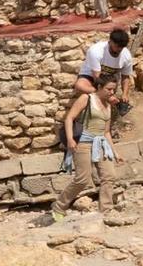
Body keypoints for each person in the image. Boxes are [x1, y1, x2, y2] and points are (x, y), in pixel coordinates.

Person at [53, 76, 123, 219]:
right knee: (82, 179)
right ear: (99, 88)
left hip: (101, 143)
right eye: (108, 89)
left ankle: (106, 211)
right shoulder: (87, 98)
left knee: (109, 176)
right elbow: (69, 118)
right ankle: (59, 206)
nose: (111, 92)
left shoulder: (109, 106)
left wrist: (115, 152)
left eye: (113, 90)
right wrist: (70, 139)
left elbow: (106, 132)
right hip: (83, 142)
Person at [74, 27, 135, 130]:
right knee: (79, 85)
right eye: (117, 46)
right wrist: (106, 94)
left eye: (121, 47)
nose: (119, 50)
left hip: (110, 80)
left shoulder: (126, 56)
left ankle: (109, 126)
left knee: (111, 98)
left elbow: (125, 76)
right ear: (110, 41)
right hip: (91, 76)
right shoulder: (96, 51)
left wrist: (125, 94)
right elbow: (97, 77)